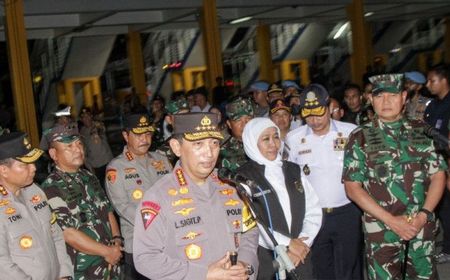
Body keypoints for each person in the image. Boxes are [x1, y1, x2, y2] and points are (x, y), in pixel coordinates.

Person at [343, 74, 447, 280]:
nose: (386, 102)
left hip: (421, 228)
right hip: (382, 233)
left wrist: (423, 215)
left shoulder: (422, 131)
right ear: (371, 100)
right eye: (380, 96)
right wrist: (392, 221)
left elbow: (438, 176)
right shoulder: (360, 137)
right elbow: (352, 188)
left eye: (392, 95)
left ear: (404, 97)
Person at [133, 112, 259, 279]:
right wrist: (203, 274)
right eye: (198, 144)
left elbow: (249, 231)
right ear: (176, 147)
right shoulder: (158, 197)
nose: (209, 153)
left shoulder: (231, 185)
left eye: (214, 143)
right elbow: (145, 258)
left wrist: (244, 264)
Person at [286, 84, 362, 280]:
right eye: (309, 116)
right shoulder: (294, 139)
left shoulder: (351, 132)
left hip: (347, 211)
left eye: (319, 114)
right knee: (321, 268)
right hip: (314, 217)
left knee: (350, 267)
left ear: (329, 108)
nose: (314, 120)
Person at [237, 118, 322, 279]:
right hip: (266, 257)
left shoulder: (293, 170)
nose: (273, 144)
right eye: (265, 139)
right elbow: (251, 224)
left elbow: (313, 209)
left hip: (300, 255)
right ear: (251, 142)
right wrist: (289, 244)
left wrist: (302, 244)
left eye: (276, 137)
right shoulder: (243, 177)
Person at [41, 123, 123, 280]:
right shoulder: (50, 188)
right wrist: (107, 252)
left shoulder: (89, 176)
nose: (78, 150)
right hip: (85, 270)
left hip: (112, 264)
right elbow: (68, 234)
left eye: (79, 144)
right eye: (69, 146)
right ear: (54, 154)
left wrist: (117, 240)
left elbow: (107, 210)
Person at [106, 113, 172, 279]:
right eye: (138, 135)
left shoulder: (162, 160)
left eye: (148, 133)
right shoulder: (116, 168)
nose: (144, 139)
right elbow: (122, 207)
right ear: (125, 135)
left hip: (170, 242)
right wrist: (158, 223)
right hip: (139, 246)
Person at [0, 131, 73, 279]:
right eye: (24, 164)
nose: (33, 168)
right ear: (3, 170)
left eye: (32, 162)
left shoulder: (35, 191)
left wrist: (64, 274)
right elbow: (3, 264)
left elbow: (56, 235)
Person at [424, 64, 450, 264]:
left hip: (448, 162)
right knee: (442, 208)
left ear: (444, 80)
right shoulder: (432, 106)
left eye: (432, 80)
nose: (428, 84)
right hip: (435, 162)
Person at [79, 107, 113, 188]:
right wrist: (89, 167)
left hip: (107, 162)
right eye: (83, 117)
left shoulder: (98, 125)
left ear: (91, 116)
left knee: (112, 185)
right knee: (101, 188)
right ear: (81, 119)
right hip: (95, 166)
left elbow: (101, 129)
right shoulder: (82, 132)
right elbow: (84, 150)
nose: (86, 118)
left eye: (87, 116)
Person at [219, 96, 254, 171]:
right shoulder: (223, 153)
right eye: (238, 120)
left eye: (248, 118)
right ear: (229, 124)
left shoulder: (265, 143)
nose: (245, 124)